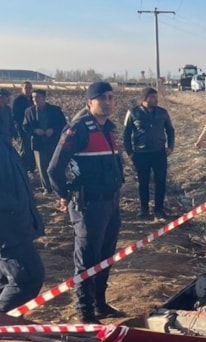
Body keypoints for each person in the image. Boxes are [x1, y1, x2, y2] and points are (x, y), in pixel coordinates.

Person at [47, 81, 126, 324]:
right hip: (88, 205)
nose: (108, 102)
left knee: (105, 257)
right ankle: (85, 312)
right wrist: (64, 195)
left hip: (110, 203)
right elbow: (54, 168)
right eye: (102, 98)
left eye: (111, 97)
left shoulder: (109, 129)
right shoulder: (78, 129)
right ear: (89, 102)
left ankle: (100, 304)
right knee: (87, 259)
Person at [0, 140, 45, 317]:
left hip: (15, 223)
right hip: (8, 229)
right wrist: (15, 205)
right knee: (26, 279)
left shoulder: (4, 136)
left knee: (6, 282)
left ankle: (8, 340)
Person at [123, 87, 176, 219]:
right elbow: (126, 134)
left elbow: (170, 130)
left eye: (156, 97)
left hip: (159, 152)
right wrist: (130, 152)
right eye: (153, 97)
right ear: (144, 99)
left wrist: (170, 147)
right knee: (143, 182)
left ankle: (159, 209)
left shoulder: (162, 113)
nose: (156, 100)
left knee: (160, 181)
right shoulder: (133, 113)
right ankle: (144, 209)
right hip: (141, 154)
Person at [22, 89, 67, 194]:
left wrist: (53, 130)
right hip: (38, 143)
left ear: (44, 98)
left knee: (54, 166)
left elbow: (63, 124)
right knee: (42, 168)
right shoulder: (29, 111)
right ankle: (47, 188)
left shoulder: (55, 110)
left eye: (37, 97)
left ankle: (57, 187)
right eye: (33, 97)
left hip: (53, 142)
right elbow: (25, 126)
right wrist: (34, 130)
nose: (35, 100)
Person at [12, 82, 34, 172]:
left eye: (30, 88)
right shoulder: (18, 101)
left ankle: (31, 169)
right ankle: (23, 170)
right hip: (23, 130)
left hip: (32, 130)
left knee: (32, 151)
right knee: (24, 151)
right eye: (26, 88)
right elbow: (16, 118)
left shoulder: (33, 99)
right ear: (22, 89)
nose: (28, 90)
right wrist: (19, 131)